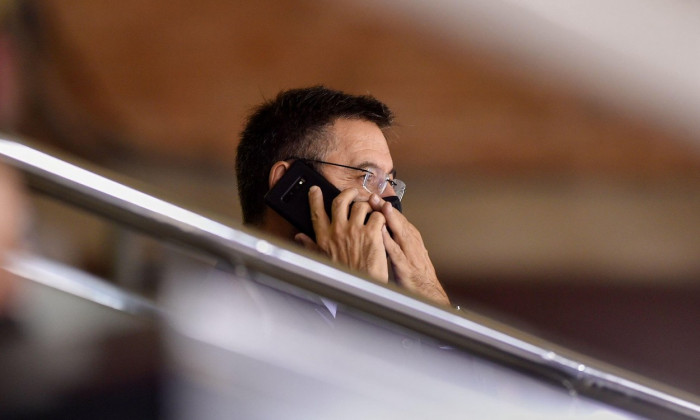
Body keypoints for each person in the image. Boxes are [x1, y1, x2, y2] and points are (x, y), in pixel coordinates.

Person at [236, 86, 449, 306]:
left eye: (389, 181)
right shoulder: (232, 301)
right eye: (367, 176)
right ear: (290, 183)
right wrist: (364, 290)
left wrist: (434, 305)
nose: (389, 199)